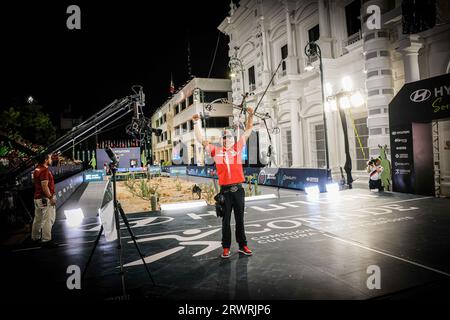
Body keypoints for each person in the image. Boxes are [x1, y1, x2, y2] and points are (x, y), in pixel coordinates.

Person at [193, 108, 254, 259]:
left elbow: (248, 130)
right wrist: (196, 122)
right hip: (225, 192)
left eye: (229, 137)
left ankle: (242, 245)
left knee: (240, 220)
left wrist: (251, 115)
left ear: (233, 139)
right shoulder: (216, 151)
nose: (227, 139)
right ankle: (226, 247)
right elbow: (200, 138)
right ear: (222, 140)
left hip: (238, 190)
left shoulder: (237, 148)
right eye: (224, 138)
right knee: (225, 222)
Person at [31, 153, 58, 247]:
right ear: (46, 160)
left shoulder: (37, 169)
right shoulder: (44, 170)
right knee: (48, 219)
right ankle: (46, 240)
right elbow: (44, 186)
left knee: (38, 219)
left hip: (38, 198)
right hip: (45, 199)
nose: (51, 160)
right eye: (50, 158)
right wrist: (50, 198)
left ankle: (35, 237)